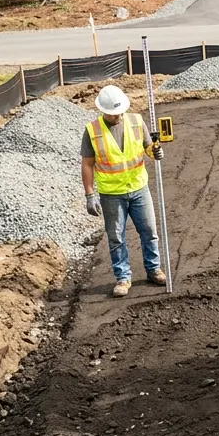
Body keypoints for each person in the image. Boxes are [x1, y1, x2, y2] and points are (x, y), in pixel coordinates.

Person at [80, 85, 166, 297]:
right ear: (103, 110)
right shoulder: (92, 130)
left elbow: (147, 148)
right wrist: (90, 194)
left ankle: (153, 269)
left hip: (139, 187)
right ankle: (123, 278)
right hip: (111, 194)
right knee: (116, 237)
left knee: (149, 231)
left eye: (120, 111)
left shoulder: (137, 121)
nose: (118, 115)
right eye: (113, 113)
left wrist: (155, 151)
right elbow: (87, 164)